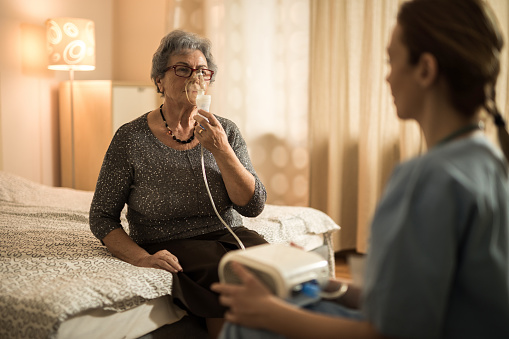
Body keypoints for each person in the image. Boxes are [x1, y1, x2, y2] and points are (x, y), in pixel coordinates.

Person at [211, 0, 509, 338]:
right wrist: (319, 283)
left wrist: (269, 313)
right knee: (294, 300)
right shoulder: (488, 160)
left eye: (391, 60)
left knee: (245, 326)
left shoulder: (430, 178)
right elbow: (415, 304)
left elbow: (393, 332)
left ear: (425, 69)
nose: (387, 76)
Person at [89, 30, 268, 338]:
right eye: (182, 69)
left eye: (202, 71)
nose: (194, 77)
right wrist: (142, 258)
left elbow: (252, 206)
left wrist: (222, 150)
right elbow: (102, 216)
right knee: (226, 274)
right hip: (169, 241)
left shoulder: (226, 131)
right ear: (160, 81)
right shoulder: (130, 138)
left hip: (229, 233)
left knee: (271, 268)